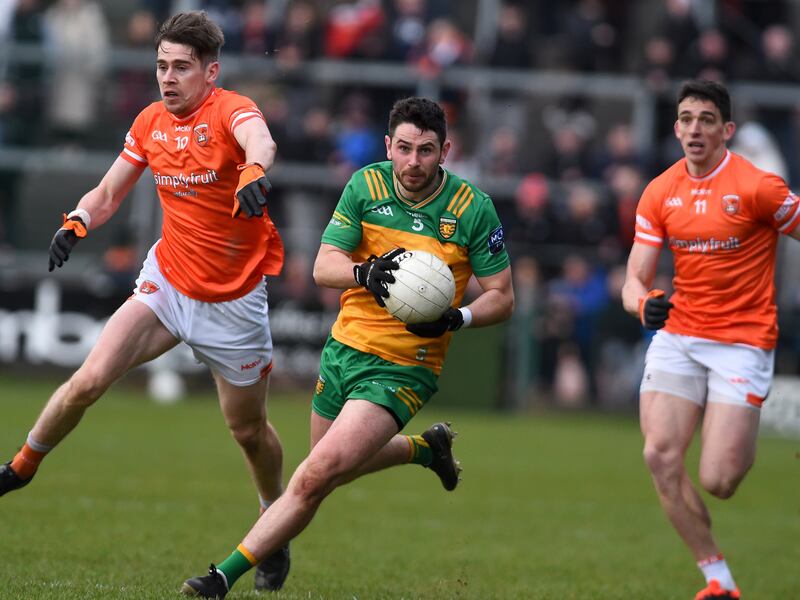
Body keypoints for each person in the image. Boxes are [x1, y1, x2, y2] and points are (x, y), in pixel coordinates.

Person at [0, 11, 292, 593]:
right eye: (161, 65)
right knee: (89, 379)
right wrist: (78, 220)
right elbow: (109, 191)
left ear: (211, 72)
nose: (168, 77)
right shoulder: (149, 122)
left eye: (181, 67)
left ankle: (273, 523)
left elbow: (261, 137)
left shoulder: (230, 110)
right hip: (169, 282)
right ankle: (19, 469)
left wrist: (255, 169)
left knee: (249, 432)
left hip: (233, 303)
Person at [180, 96, 514, 598]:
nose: (413, 162)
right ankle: (426, 450)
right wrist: (365, 272)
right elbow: (321, 266)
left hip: (404, 367)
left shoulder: (472, 209)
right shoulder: (366, 185)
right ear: (388, 146)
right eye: (403, 149)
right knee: (325, 466)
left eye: (426, 151)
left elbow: (503, 298)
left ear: (445, 150)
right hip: (343, 351)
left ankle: (222, 575)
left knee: (314, 477)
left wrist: (457, 316)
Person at [621, 79, 800, 600]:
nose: (694, 129)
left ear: (727, 130)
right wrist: (642, 303)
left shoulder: (757, 186)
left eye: (705, 119)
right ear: (675, 128)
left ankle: (737, 425)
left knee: (720, 479)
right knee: (659, 455)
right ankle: (718, 580)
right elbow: (634, 279)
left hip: (744, 340)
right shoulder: (660, 190)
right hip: (679, 333)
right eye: (685, 119)